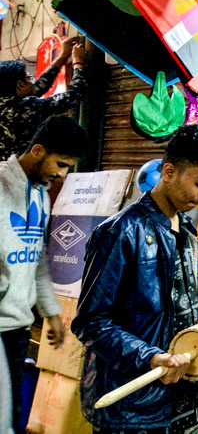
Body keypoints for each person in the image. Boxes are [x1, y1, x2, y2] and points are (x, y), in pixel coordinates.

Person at [73, 125, 198, 434]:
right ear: (169, 171)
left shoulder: (188, 231)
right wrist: (150, 357)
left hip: (179, 403)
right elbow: (92, 321)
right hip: (132, 408)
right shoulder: (121, 232)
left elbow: (188, 309)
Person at [0, 115, 87, 433]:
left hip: (17, 328)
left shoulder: (40, 194)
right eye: (60, 164)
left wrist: (52, 313)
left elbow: (37, 261)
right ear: (37, 151)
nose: (62, 174)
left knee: (13, 413)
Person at [0, 37, 88, 161]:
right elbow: (75, 93)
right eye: (28, 77)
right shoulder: (23, 109)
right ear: (20, 85)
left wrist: (63, 56)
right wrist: (78, 62)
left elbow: (38, 87)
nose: (32, 79)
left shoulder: (6, 104)